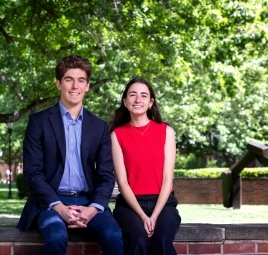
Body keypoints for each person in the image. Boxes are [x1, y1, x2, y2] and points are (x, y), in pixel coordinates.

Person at [16, 55, 123, 255]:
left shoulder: (99, 126)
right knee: (56, 236)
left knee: (114, 236)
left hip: (88, 201)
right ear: (58, 84)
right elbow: (32, 173)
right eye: (68, 79)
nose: (75, 86)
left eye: (81, 80)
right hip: (50, 202)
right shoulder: (38, 122)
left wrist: (93, 208)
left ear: (87, 86)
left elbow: (106, 176)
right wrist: (60, 207)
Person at [109, 77, 181, 255]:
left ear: (151, 103)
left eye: (143, 95)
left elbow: (167, 179)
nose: (137, 100)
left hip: (163, 203)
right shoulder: (117, 135)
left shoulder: (166, 132)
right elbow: (123, 183)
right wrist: (143, 216)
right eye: (132, 95)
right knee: (138, 239)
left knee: (162, 239)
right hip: (129, 205)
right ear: (125, 102)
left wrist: (154, 215)